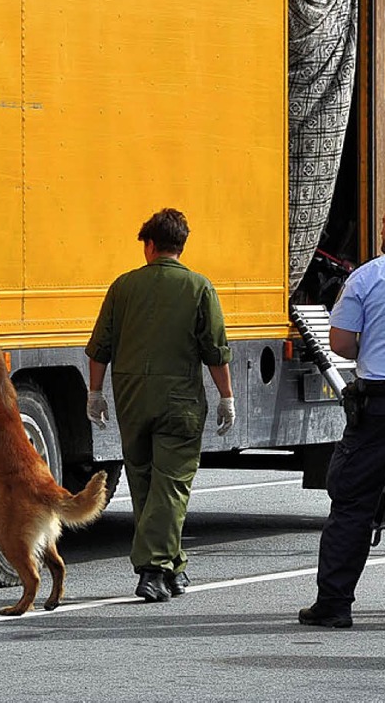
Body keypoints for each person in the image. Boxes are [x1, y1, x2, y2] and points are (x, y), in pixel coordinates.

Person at [299, 193, 385, 630]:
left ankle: (335, 605)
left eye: (381, 222)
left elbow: (339, 344)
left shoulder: (370, 275)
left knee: (353, 502)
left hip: (381, 404)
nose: (379, 230)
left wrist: (373, 346)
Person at [85, 208, 235, 602]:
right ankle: (153, 571)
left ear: (149, 245)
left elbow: (100, 347)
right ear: (180, 246)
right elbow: (215, 352)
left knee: (143, 482)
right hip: (180, 401)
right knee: (172, 486)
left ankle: (174, 566)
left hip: (132, 399)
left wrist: (95, 393)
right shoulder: (200, 288)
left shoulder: (122, 287)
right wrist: (227, 397)